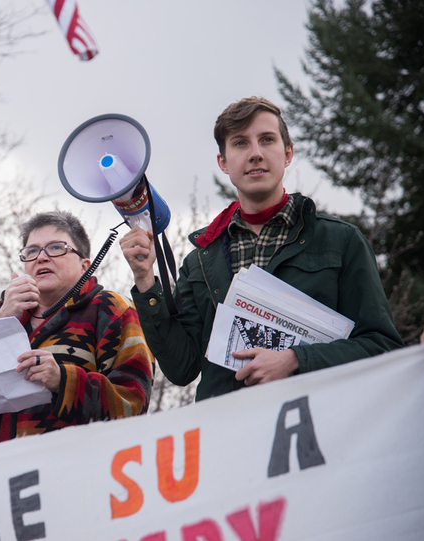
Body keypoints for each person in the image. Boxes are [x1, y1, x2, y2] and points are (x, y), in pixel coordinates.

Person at [120, 96, 404, 401]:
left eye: (267, 140)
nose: (255, 153)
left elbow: (381, 346)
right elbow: (182, 368)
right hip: (227, 433)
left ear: (287, 154)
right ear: (224, 163)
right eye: (241, 143)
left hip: (317, 428)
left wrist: (295, 360)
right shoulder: (200, 259)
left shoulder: (341, 241)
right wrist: (146, 280)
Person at [0, 210, 153, 450]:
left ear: (85, 265)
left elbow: (133, 403)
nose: (42, 258)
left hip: (72, 474)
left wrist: (63, 381)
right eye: (32, 251)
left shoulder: (111, 309)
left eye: (56, 248)